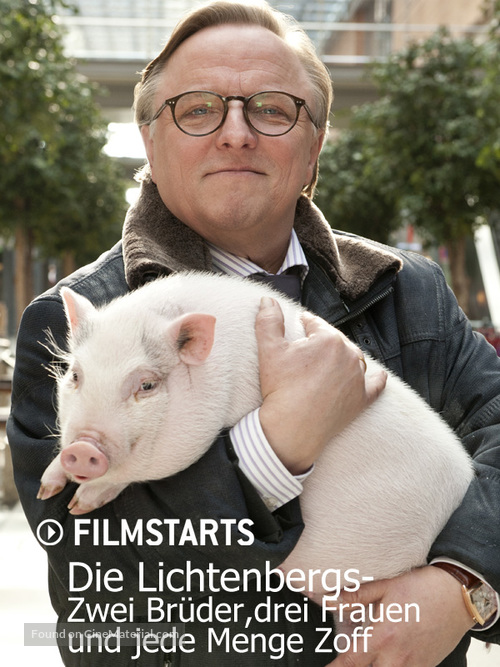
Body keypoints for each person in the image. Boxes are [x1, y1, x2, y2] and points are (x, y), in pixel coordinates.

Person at [7, 1, 500, 665]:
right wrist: (269, 451)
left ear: (314, 144)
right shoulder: (80, 323)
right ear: (150, 139)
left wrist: (465, 584)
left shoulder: (405, 289)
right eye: (198, 108)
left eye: (271, 109)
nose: (236, 133)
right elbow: (110, 602)